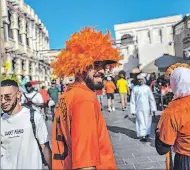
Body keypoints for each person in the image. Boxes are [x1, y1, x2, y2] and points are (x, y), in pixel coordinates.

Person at [51, 27, 119, 169]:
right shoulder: (84, 99)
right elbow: (85, 164)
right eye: (95, 65)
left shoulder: (67, 95)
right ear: (80, 65)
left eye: (103, 66)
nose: (101, 71)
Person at [155, 63, 190, 170]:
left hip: (188, 161)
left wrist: (159, 130)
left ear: (174, 83)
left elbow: (163, 148)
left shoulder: (173, 109)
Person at [1, 79, 52, 169]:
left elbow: (45, 148)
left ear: (18, 94)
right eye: (0, 97)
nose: (3, 101)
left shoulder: (34, 117)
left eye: (7, 97)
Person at [130, 74, 157, 142]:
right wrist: (132, 110)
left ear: (144, 80)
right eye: (139, 80)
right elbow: (132, 100)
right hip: (138, 108)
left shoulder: (147, 88)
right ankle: (142, 135)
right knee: (141, 121)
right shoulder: (135, 88)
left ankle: (147, 133)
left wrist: (153, 108)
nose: (140, 81)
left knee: (147, 121)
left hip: (147, 108)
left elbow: (151, 99)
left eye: (141, 80)